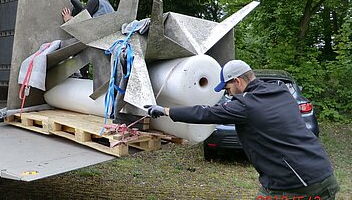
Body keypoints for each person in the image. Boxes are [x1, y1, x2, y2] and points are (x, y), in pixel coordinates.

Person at [144, 60, 339, 199]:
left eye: (227, 88)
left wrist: (165, 110)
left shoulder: (246, 105)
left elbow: (205, 113)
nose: (227, 94)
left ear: (238, 81)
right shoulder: (281, 92)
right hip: (324, 173)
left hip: (296, 184)